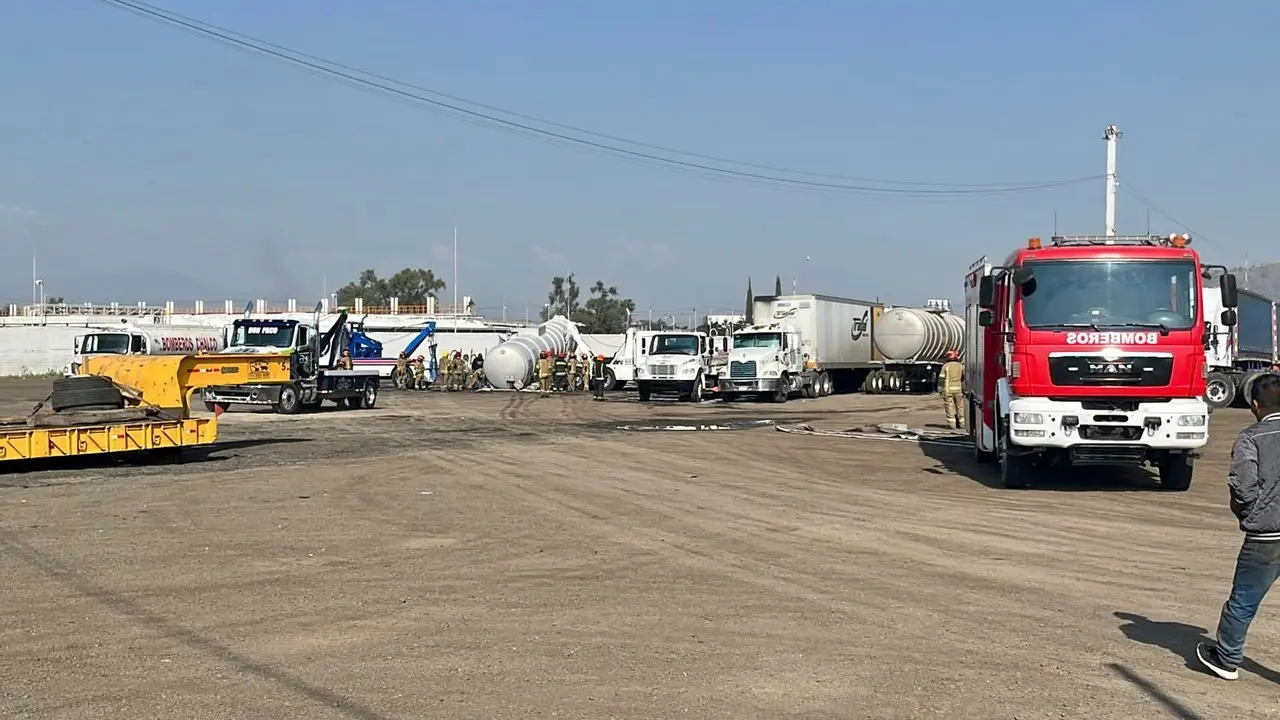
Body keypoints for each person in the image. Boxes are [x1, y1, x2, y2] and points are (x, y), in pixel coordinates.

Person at [1198, 373, 1280, 681]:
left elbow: (1244, 487)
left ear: (1255, 405)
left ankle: (1227, 659)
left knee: (1244, 598)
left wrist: (1248, 514)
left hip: (1267, 534)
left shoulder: (1250, 437)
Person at [938, 349, 964, 430]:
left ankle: (952, 424)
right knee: (960, 406)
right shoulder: (961, 366)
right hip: (959, 391)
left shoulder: (945, 366)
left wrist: (940, 389)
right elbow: (964, 377)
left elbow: (941, 379)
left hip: (948, 391)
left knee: (949, 407)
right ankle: (962, 423)